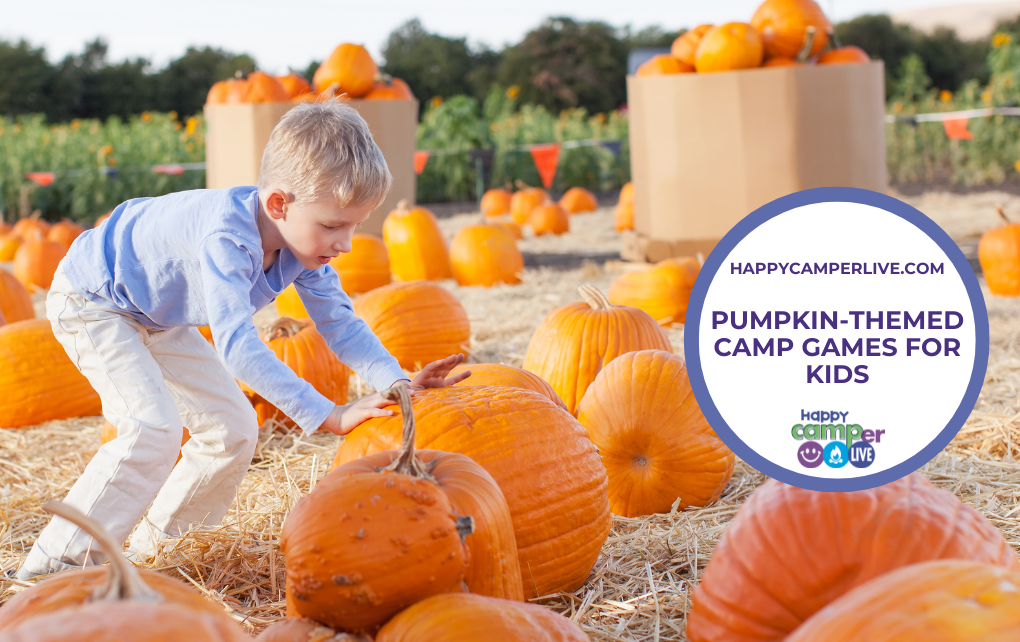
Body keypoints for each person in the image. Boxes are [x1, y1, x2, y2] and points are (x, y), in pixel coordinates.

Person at [16, 100, 468, 580]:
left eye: (354, 225)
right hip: (94, 299)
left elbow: (342, 324)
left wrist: (396, 380)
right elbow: (237, 347)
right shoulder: (227, 238)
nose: (347, 243)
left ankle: (160, 552)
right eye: (334, 225)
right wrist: (328, 414)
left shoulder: (301, 247)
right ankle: (50, 571)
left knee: (233, 428)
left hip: (155, 314)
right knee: (151, 427)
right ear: (279, 204)